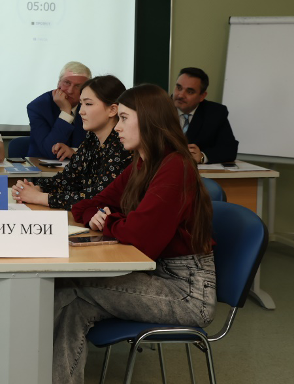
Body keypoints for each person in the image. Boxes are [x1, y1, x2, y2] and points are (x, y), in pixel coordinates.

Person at [53, 84, 216, 384]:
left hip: (187, 292)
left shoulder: (175, 166)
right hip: (156, 275)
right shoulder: (143, 163)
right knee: (72, 306)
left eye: (125, 118)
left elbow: (141, 238)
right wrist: (109, 218)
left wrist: (111, 219)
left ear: (150, 120)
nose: (118, 127)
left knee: (68, 287)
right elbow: (85, 206)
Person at [13, 75, 132, 210]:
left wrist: (39, 197)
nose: (81, 111)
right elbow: (70, 177)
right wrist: (38, 188)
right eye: (81, 104)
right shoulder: (92, 138)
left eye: (88, 104)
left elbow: (97, 198)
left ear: (112, 110)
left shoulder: (123, 145)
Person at [26, 62, 92, 159]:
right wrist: (66, 112)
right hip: (42, 165)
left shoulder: (91, 106)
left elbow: (97, 148)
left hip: (82, 165)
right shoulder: (39, 106)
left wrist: (74, 152)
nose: (70, 90)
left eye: (78, 86)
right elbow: (49, 151)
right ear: (59, 83)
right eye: (67, 83)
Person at [173, 67, 239, 164]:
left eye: (190, 91)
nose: (180, 95)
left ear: (202, 96)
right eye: (179, 88)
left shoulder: (215, 113)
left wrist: (202, 156)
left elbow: (229, 149)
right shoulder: (158, 108)